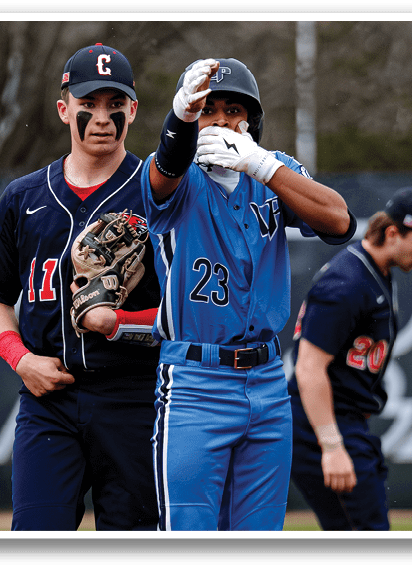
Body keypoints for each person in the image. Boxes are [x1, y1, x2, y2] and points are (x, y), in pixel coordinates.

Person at [140, 57, 357, 531]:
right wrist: (180, 120)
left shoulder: (272, 173)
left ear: (250, 120)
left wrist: (262, 166)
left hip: (265, 383)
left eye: (232, 109)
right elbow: (164, 171)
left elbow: (340, 221)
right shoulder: (174, 174)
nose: (220, 120)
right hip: (195, 380)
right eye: (207, 109)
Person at [0, 43, 160, 531]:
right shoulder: (23, 197)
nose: (101, 118)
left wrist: (119, 323)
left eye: (115, 105)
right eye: (88, 105)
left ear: (132, 110)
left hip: (134, 398)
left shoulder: (158, 194)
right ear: (63, 109)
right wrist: (21, 360)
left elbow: (183, 311)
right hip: (47, 402)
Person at [288, 186, 412, 530]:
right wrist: (332, 446)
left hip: (343, 422)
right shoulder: (347, 283)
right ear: (393, 232)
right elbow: (308, 369)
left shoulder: (372, 272)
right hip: (323, 427)